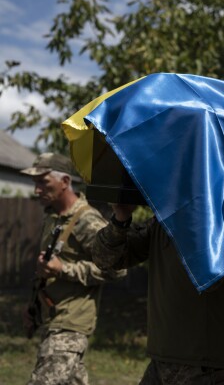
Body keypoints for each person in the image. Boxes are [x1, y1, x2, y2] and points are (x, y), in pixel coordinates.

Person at [93, 203, 224, 385]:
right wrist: (121, 218)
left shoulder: (219, 219)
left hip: (205, 366)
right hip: (162, 360)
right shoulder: (164, 219)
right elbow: (107, 259)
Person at [20, 152, 127, 385]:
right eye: (35, 183)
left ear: (65, 182)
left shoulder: (86, 220)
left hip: (70, 324)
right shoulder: (53, 217)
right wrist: (33, 308)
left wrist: (64, 269)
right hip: (52, 317)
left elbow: (117, 269)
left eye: (43, 182)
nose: (37, 189)